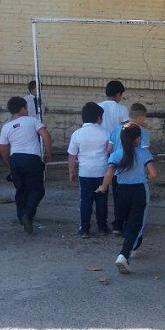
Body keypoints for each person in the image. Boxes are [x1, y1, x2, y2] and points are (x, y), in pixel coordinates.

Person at [96, 123, 157, 274]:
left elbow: (109, 174)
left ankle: (133, 248)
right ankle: (124, 254)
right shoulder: (144, 154)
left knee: (128, 221)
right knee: (137, 225)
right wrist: (145, 178)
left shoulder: (116, 155)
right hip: (139, 191)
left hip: (121, 191)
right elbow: (153, 174)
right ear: (138, 139)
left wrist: (103, 187)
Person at [0, 97, 53, 234]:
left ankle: (22, 216)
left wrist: (9, 162)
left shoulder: (6, 126)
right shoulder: (32, 121)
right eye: (26, 107)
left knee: (21, 189)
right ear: (23, 108)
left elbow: (3, 148)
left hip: (15, 159)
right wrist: (48, 153)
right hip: (32, 159)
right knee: (37, 190)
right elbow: (45, 135)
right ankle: (27, 215)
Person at [68, 102, 111, 238]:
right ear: (99, 118)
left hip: (85, 173)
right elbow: (110, 151)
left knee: (85, 200)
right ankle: (102, 227)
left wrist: (71, 171)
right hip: (102, 172)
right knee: (102, 200)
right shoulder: (105, 133)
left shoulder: (77, 134)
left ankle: (84, 229)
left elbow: (72, 155)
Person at [107, 103, 151, 235]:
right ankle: (130, 227)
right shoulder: (141, 132)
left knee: (119, 199)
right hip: (135, 172)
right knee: (135, 202)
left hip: (117, 171)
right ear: (141, 117)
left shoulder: (116, 129)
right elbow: (145, 151)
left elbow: (109, 149)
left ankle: (117, 225)